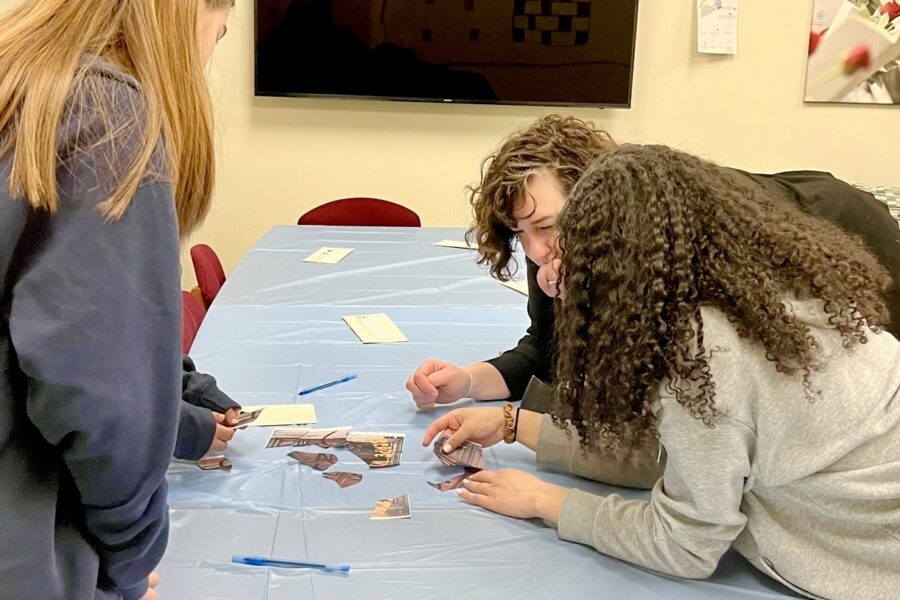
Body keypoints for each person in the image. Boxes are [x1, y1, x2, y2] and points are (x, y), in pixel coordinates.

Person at [423, 145, 900, 600]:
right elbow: (686, 458)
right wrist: (512, 425)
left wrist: (545, 502)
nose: (550, 264)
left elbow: (686, 544)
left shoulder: (702, 359)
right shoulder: (759, 288)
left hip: (864, 557)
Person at [407, 115, 900, 412]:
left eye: (548, 226)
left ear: (597, 205)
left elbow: (678, 400)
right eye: (521, 233)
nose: (536, 251)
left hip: (843, 226)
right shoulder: (554, 250)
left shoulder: (674, 250)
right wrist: (468, 381)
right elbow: (545, 353)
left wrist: (518, 426)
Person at [0, 1, 234, 599]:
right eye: (220, 33)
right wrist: (126, 564)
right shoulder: (108, 118)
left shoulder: (20, 78)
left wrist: (179, 388)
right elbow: (106, 403)